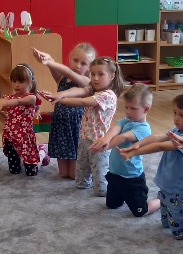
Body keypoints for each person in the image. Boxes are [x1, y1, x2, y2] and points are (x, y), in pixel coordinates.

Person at [122, 90, 183, 238]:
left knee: (180, 232)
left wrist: (135, 152)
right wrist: (137, 145)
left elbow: (161, 146)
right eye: (175, 113)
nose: (176, 118)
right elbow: (156, 138)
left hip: (179, 191)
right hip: (166, 187)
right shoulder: (176, 131)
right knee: (167, 223)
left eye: (181, 115)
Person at [40, 56, 125, 197]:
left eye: (101, 74)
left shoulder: (108, 95)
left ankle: (107, 190)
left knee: (100, 181)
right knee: (81, 175)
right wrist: (59, 94)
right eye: (93, 74)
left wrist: (60, 100)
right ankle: (84, 183)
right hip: (84, 139)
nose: (95, 78)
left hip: (99, 143)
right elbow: (78, 91)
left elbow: (83, 102)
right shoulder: (94, 89)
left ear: (112, 76)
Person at [32, 42, 95, 179]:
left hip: (75, 126)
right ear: (70, 58)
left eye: (83, 63)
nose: (78, 65)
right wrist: (47, 59)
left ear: (89, 67)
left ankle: (86, 167)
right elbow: (59, 71)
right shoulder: (62, 79)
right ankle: (43, 152)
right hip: (60, 124)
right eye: (75, 60)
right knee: (63, 174)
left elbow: (68, 72)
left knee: (73, 175)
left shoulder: (86, 82)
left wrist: (51, 62)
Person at [92, 83, 155, 216]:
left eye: (133, 108)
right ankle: (124, 197)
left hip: (132, 177)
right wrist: (105, 138)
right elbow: (115, 129)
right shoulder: (125, 121)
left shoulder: (144, 129)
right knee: (112, 205)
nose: (128, 111)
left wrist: (105, 146)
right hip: (115, 173)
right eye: (126, 107)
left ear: (146, 109)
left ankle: (160, 202)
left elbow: (123, 137)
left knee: (140, 212)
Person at [0, 63, 43, 176]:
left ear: (30, 82)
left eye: (21, 81)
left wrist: (4, 103)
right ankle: (21, 159)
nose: (16, 85)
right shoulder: (9, 97)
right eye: (14, 81)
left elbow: (17, 101)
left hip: (25, 137)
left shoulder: (31, 97)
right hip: (11, 137)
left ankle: (42, 153)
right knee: (14, 171)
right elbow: (2, 100)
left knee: (32, 172)